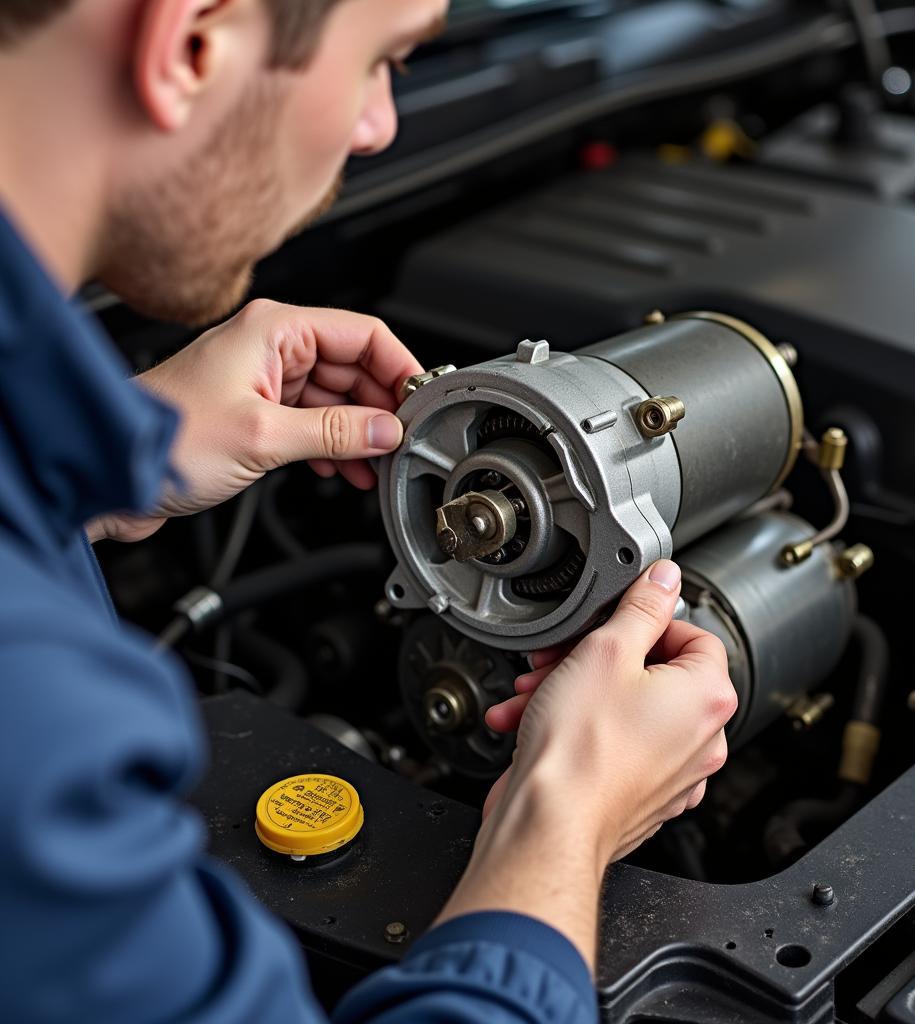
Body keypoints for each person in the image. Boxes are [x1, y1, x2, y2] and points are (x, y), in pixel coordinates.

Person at [0, 1, 738, 1021]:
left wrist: (101, 469)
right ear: (194, 42)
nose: (379, 125)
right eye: (383, 61)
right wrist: (563, 813)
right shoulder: (31, 720)